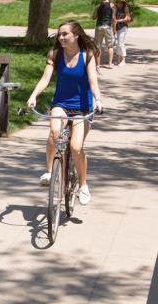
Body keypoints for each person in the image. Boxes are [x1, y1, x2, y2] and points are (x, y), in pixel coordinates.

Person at [27, 20, 103, 205]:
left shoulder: (88, 55)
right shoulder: (55, 54)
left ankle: (83, 185)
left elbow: (93, 81)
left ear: (76, 35)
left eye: (65, 34)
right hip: (60, 103)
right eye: (59, 34)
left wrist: (98, 99)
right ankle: (50, 172)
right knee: (54, 133)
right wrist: (33, 95)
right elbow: (45, 79)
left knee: (76, 147)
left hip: (82, 107)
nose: (60, 38)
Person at [93, 0, 115, 69]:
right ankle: (110, 64)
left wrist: (96, 10)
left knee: (98, 46)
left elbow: (94, 17)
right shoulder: (112, 6)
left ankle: (98, 65)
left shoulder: (98, 6)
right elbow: (113, 18)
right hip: (108, 27)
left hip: (99, 26)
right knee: (110, 46)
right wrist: (114, 28)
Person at [114, 0, 131, 66]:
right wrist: (114, 28)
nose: (119, 4)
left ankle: (123, 60)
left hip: (123, 27)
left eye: (121, 3)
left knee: (121, 43)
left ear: (123, 3)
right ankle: (118, 58)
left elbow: (128, 18)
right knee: (117, 43)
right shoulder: (115, 9)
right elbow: (113, 19)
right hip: (117, 27)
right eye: (118, 2)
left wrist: (119, 20)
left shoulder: (125, 8)